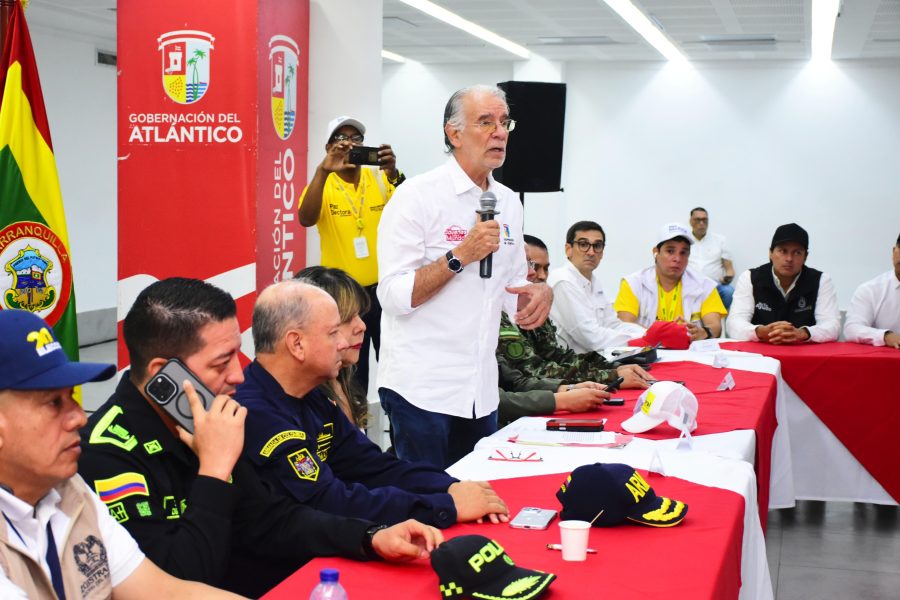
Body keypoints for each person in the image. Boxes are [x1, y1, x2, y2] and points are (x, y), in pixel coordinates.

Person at [78, 278, 443, 597]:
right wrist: (214, 470)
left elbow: (272, 519)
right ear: (163, 376)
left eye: (236, 356)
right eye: (221, 363)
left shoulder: (208, 416)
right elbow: (179, 581)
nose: (238, 376)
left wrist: (369, 537)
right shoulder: (107, 452)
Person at [0, 309, 244, 599]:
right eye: (54, 402)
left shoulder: (71, 490)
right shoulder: (96, 462)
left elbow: (165, 592)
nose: (79, 418)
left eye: (72, 397)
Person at [238, 280, 509, 531]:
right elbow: (329, 502)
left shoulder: (310, 396)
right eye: (333, 333)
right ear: (296, 343)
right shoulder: (256, 414)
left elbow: (372, 467)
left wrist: (449, 487)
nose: (343, 343)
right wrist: (443, 506)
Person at [376, 84, 552, 469]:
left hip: (481, 391)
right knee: (428, 498)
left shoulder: (508, 202)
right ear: (453, 134)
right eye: (485, 122)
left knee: (473, 494)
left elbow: (511, 291)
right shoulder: (416, 196)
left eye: (504, 122)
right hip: (422, 389)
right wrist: (460, 256)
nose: (499, 133)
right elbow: (392, 296)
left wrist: (538, 294)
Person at [298, 116, 404, 395]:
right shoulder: (323, 183)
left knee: (396, 368)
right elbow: (306, 218)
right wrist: (322, 171)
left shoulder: (379, 178)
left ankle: (397, 422)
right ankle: (354, 421)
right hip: (344, 298)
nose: (350, 144)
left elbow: (411, 208)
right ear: (328, 147)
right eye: (341, 138)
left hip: (384, 292)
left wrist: (394, 172)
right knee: (351, 374)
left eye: (356, 138)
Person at [498, 234, 653, 388]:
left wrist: (613, 367)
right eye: (528, 265)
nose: (540, 275)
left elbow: (557, 356)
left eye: (544, 268)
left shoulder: (532, 303)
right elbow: (534, 370)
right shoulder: (498, 312)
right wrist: (610, 376)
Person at [727, 223, 840, 344]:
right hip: (760, 350)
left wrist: (803, 333)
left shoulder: (821, 280)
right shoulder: (750, 278)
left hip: (803, 350)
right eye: (782, 251)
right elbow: (734, 323)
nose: (789, 259)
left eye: (797, 253)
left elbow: (832, 326)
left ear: (805, 257)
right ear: (770, 253)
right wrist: (761, 331)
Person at [615, 222, 727, 341]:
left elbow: (715, 327)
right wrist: (664, 335)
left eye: (683, 253)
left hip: (689, 350)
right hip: (647, 349)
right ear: (656, 252)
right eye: (670, 251)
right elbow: (625, 325)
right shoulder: (634, 283)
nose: (677, 259)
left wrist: (703, 332)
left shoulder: (705, 285)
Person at [547, 221, 647, 352]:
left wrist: (647, 334)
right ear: (568, 249)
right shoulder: (563, 280)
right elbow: (591, 338)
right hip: (569, 362)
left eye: (597, 246)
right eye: (583, 244)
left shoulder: (594, 282)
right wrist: (640, 339)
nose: (591, 252)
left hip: (597, 358)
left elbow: (613, 325)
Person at [296, 265, 371, 429]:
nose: (362, 326)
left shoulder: (344, 385)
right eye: (347, 319)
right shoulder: (300, 405)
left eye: (359, 315)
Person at [843, 233, 900, 348]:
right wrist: (885, 336)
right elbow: (851, 329)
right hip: (884, 357)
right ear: (894, 251)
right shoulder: (871, 290)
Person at [688, 207, 736, 309]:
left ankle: (718, 316)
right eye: (698, 220)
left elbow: (730, 269)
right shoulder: (684, 241)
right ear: (690, 221)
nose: (702, 223)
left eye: (704, 220)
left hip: (714, 285)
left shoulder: (720, 240)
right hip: (689, 285)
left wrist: (727, 278)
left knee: (729, 292)